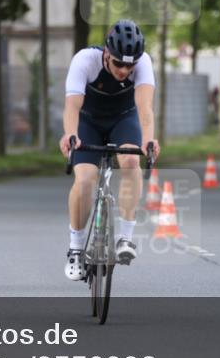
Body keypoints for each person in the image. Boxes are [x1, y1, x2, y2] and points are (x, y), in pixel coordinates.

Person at [59, 19, 159, 280]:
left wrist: (149, 140)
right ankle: (76, 249)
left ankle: (126, 238)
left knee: (130, 161)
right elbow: (71, 107)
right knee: (85, 180)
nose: (125, 70)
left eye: (130, 65)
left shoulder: (144, 63)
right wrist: (70, 134)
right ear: (106, 53)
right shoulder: (85, 60)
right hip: (87, 121)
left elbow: (145, 108)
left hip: (123, 120)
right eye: (119, 63)